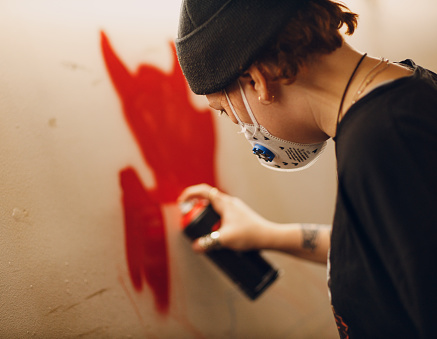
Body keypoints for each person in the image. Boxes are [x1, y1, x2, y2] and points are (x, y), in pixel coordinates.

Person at [174, 0, 437, 338]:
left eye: (226, 110)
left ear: (257, 80)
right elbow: (389, 253)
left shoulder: (386, 139)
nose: (242, 128)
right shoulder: (403, 94)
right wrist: (267, 234)